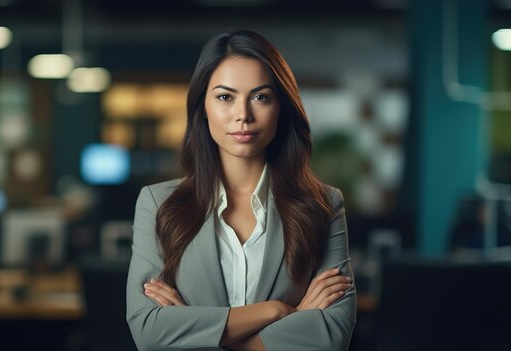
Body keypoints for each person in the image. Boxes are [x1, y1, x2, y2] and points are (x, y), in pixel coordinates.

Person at [126, 29, 356, 351]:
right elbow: (149, 332)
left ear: (281, 107)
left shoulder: (323, 205)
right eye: (225, 97)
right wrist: (280, 312)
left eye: (261, 97)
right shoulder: (158, 203)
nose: (243, 115)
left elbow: (331, 335)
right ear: (202, 107)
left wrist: (200, 332)